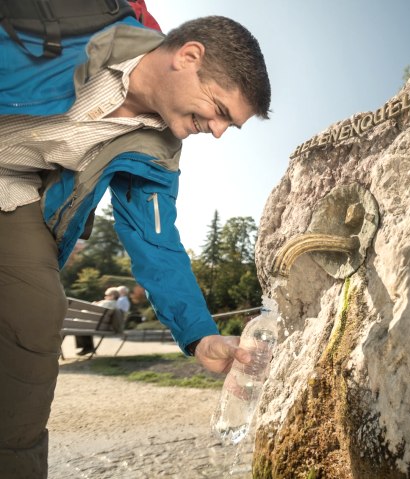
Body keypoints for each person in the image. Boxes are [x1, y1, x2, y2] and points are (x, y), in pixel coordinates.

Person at [0, 3, 271, 477]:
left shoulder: (159, 151)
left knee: (38, 309)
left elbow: (156, 242)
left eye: (233, 125)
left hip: (12, 189)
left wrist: (200, 334)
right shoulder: (77, 30)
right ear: (188, 56)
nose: (221, 132)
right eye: (221, 111)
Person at [75, 287, 121, 355]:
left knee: (78, 324)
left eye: (106, 295)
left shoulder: (107, 303)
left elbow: (93, 310)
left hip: (96, 325)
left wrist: (94, 304)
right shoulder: (116, 305)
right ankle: (88, 348)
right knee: (81, 325)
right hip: (101, 325)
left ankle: (87, 348)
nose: (105, 297)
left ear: (112, 296)